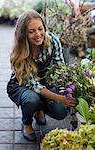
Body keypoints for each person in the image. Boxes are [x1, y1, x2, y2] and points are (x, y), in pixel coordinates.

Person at [7, 10, 76, 141]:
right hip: (22, 85)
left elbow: (61, 68)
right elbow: (35, 86)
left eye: (40, 29)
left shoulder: (52, 42)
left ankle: (40, 110)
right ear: (23, 34)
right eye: (31, 31)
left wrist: (70, 86)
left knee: (61, 112)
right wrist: (59, 98)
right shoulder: (19, 52)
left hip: (45, 81)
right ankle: (26, 122)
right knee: (32, 99)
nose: (38, 35)